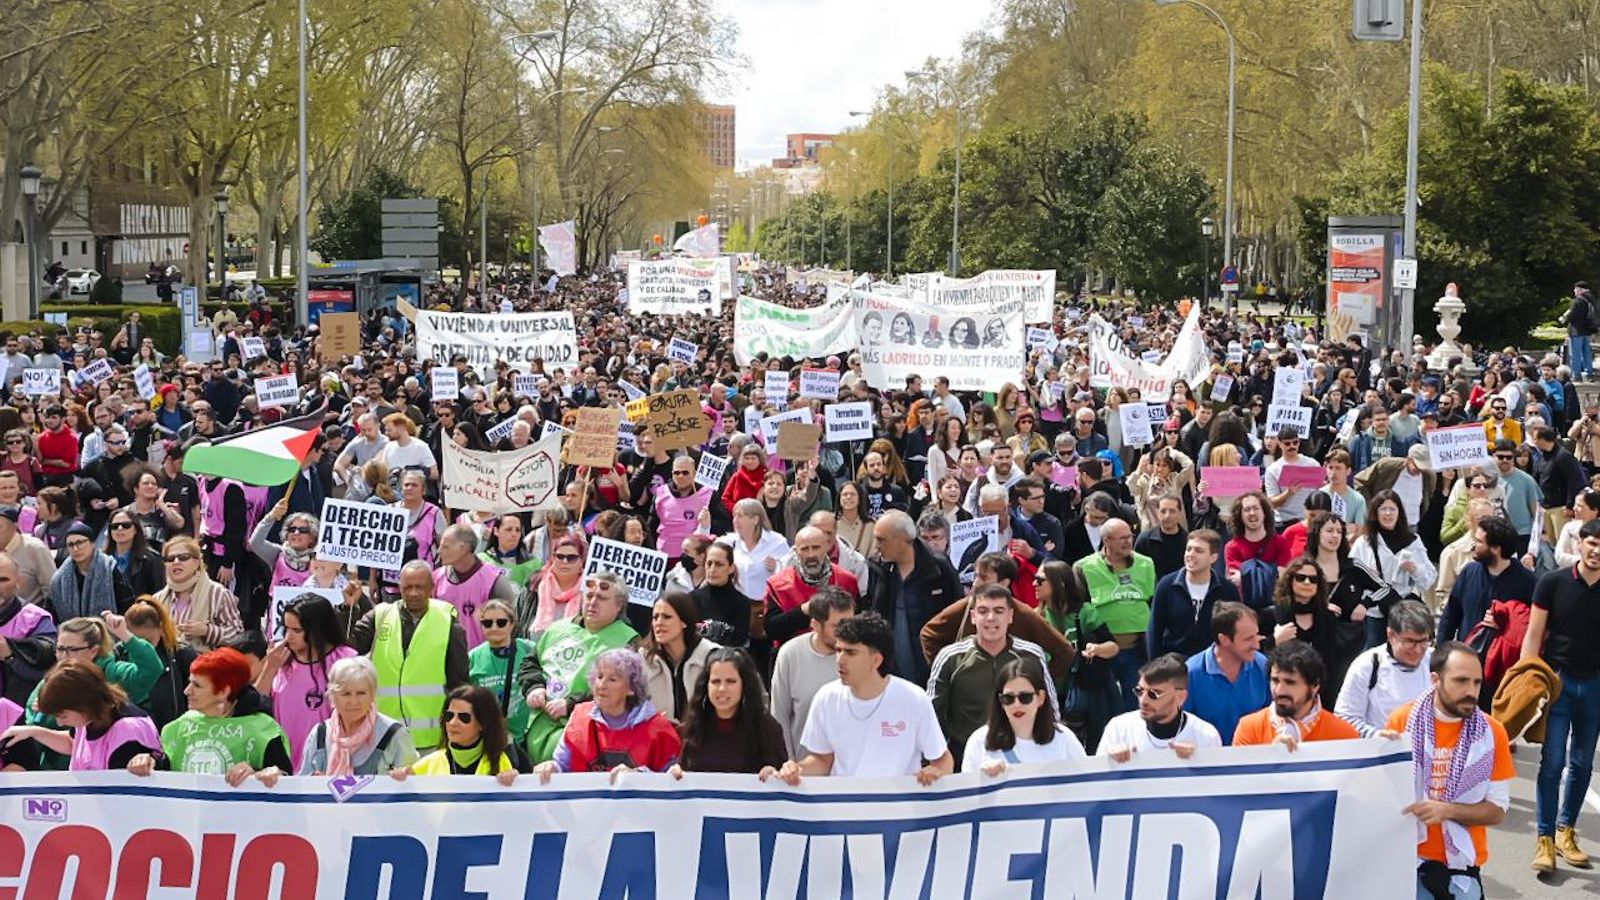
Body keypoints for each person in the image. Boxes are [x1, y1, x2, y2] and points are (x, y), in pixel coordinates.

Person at [1385, 642, 1513, 898]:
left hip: (1462, 866)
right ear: (1435, 679)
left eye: (1477, 683)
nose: (1471, 692)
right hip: (1409, 861)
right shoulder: (1402, 722)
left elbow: (1497, 811)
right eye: (1461, 681)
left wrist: (1446, 811)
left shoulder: (1492, 731)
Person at [764, 612, 953, 784]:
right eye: (838, 650)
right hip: (844, 812)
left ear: (876, 660)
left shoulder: (913, 699)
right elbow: (822, 760)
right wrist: (796, 770)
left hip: (898, 814)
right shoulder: (826, 697)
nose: (840, 659)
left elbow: (942, 759)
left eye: (850, 652)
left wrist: (936, 772)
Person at [1521, 517, 1600, 872]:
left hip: (1596, 684)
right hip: (1558, 682)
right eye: (1592, 543)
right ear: (1580, 543)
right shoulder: (1552, 583)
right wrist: (1527, 680)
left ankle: (1567, 830)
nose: (1596, 552)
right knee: (1552, 762)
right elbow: (1533, 635)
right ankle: (1544, 839)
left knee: (1583, 763)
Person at [925, 583, 1056, 770]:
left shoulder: (1031, 655)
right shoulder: (950, 658)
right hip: (965, 761)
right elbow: (931, 716)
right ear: (973, 616)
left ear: (1010, 616)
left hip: (1026, 761)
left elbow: (1051, 711)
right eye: (983, 611)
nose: (991, 618)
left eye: (999, 611)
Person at [348, 560, 471, 751]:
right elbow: (349, 645)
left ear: (432, 587)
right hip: (383, 737)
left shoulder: (448, 622)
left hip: (431, 742)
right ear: (399, 587)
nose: (413, 593)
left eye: (419, 587)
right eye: (408, 587)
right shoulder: (380, 615)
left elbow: (459, 683)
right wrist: (349, 608)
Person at [518, 569, 638, 762]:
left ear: (618, 606)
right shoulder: (558, 628)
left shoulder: (626, 641)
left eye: (602, 598)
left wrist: (571, 704)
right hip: (538, 729)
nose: (592, 602)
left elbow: (621, 692)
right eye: (589, 595)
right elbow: (530, 664)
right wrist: (534, 687)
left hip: (588, 737)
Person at [127, 647, 293, 785]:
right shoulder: (177, 728)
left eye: (197, 686)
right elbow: (167, 775)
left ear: (223, 692)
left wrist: (263, 774)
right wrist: (147, 763)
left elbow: (286, 783)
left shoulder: (264, 731)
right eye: (189, 682)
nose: (186, 691)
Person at [534, 648, 682, 780]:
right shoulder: (579, 717)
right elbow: (562, 765)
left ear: (632, 688)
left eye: (612, 679)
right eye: (599, 677)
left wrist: (640, 777)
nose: (602, 685)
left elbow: (673, 779)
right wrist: (551, 768)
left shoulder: (658, 728)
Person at [252, 593, 356, 772]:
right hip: (281, 769)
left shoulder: (345, 660)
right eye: (286, 628)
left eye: (297, 630)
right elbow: (255, 705)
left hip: (325, 768)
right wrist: (269, 668)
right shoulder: (280, 659)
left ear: (317, 629)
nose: (288, 637)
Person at [1, 660, 160, 770]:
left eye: (63, 716)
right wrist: (33, 732)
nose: (60, 723)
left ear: (82, 703)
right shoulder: (93, 715)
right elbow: (73, 744)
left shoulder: (127, 731)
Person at [869, 510, 962, 687]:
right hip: (892, 673)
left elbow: (957, 615)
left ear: (903, 539)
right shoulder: (879, 568)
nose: (876, 546)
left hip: (934, 672)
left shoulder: (939, 568)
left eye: (882, 540)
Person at [1074, 517, 1155, 709]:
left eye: (1129, 536)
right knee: (1103, 705)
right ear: (1107, 540)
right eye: (1121, 538)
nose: (1128, 541)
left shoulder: (1146, 564)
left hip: (1137, 649)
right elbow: (1080, 607)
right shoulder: (1083, 567)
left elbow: (1152, 599)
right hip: (1101, 651)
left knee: (1135, 703)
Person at [295, 656, 419, 776]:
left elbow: (414, 786)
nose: (354, 701)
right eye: (346, 694)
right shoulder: (319, 734)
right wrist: (315, 782)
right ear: (332, 696)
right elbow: (302, 786)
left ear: (372, 695)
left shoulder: (395, 734)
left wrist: (402, 779)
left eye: (361, 693)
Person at [962, 656, 1085, 775]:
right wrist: (983, 778)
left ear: (1040, 698)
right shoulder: (979, 741)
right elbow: (967, 791)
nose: (1017, 704)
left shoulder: (1063, 738)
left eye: (1025, 697)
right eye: (1008, 698)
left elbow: (1086, 783)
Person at [671, 647, 786, 774]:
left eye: (731, 681)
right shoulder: (692, 727)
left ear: (745, 684)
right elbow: (683, 768)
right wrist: (676, 773)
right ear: (706, 685)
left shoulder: (766, 728)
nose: (722, 688)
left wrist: (774, 773)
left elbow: (783, 777)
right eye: (715, 681)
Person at [771, 586, 852, 759]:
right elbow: (779, 716)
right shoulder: (790, 654)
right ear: (815, 625)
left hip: (852, 773)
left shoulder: (863, 653)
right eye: (837, 626)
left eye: (850, 624)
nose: (846, 632)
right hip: (804, 773)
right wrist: (788, 764)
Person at [1232, 642, 1361, 748]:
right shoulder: (1249, 728)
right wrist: (1270, 758)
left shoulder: (1344, 735)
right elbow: (1240, 778)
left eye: (1290, 682)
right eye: (1275, 680)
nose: (1279, 690)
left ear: (1314, 686)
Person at [1099, 653, 1223, 761]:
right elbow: (1096, 783)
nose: (1143, 700)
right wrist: (1109, 761)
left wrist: (1198, 761)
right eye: (1139, 691)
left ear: (1181, 697)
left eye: (1154, 694)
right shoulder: (1118, 729)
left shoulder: (1206, 736)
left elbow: (1217, 784)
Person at [1335, 600, 1433, 736]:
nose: (1417, 650)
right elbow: (1345, 718)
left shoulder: (1436, 661)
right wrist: (1377, 735)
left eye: (1423, 641)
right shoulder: (1368, 665)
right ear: (1391, 635)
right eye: (1410, 642)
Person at [1184, 602, 1270, 746]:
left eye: (1256, 636)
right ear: (1224, 639)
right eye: (1248, 639)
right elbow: (1181, 728)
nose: (1257, 645)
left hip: (1253, 758)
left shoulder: (1263, 666)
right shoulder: (1191, 674)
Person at [393, 685, 517, 783]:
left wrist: (513, 782)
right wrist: (400, 779)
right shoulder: (428, 764)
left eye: (464, 717)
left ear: (482, 723)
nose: (453, 723)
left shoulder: (502, 762)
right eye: (449, 716)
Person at [1145, 529, 1238, 660]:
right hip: (1174, 664)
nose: (1191, 555)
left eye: (1199, 551)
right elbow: (1155, 630)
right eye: (1189, 549)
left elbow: (1234, 630)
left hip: (1213, 664)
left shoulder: (1227, 590)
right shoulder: (1166, 585)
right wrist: (1154, 667)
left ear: (1213, 557)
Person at [762, 525, 860, 646]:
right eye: (804, 549)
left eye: (816, 547)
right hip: (793, 655)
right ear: (796, 551)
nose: (811, 555)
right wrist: (804, 611)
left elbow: (858, 624)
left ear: (826, 548)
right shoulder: (777, 584)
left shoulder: (847, 580)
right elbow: (771, 629)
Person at [152, 536, 244, 653]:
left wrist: (207, 631)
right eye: (170, 559)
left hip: (207, 666)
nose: (176, 562)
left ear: (196, 562)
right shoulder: (157, 600)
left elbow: (237, 635)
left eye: (183, 557)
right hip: (168, 666)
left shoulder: (218, 594)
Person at [433, 524, 515, 649]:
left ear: (464, 548)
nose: (439, 551)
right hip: (444, 658)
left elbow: (510, 623)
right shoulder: (436, 578)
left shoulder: (493, 580)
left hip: (481, 662)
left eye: (445, 547)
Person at [642, 591, 717, 722]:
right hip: (660, 738)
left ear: (684, 622)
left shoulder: (712, 656)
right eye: (655, 617)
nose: (659, 623)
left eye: (667, 617)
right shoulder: (643, 660)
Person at [123, 599, 196, 728]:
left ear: (161, 629)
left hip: (171, 730)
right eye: (135, 641)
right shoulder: (118, 655)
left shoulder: (181, 654)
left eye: (148, 640)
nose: (143, 647)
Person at [48, 522, 135, 621]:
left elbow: (127, 605)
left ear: (92, 543)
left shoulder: (110, 568)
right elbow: (51, 611)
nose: (75, 549)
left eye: (80, 543)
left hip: (108, 633)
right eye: (70, 545)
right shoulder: (59, 578)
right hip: (69, 632)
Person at [0, 551, 55, 706]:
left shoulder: (36, 620)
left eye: (3, 580)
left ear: (18, 581)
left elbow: (47, 674)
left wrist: (10, 656)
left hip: (20, 713)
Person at [521, 533, 585, 638]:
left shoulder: (589, 592)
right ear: (552, 559)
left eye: (571, 558)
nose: (565, 561)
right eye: (560, 556)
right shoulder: (534, 586)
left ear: (581, 561)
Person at [106, 509, 163, 598]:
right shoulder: (102, 560)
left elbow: (157, 594)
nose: (120, 529)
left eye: (126, 525)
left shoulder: (151, 560)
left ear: (136, 529)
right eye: (115, 526)